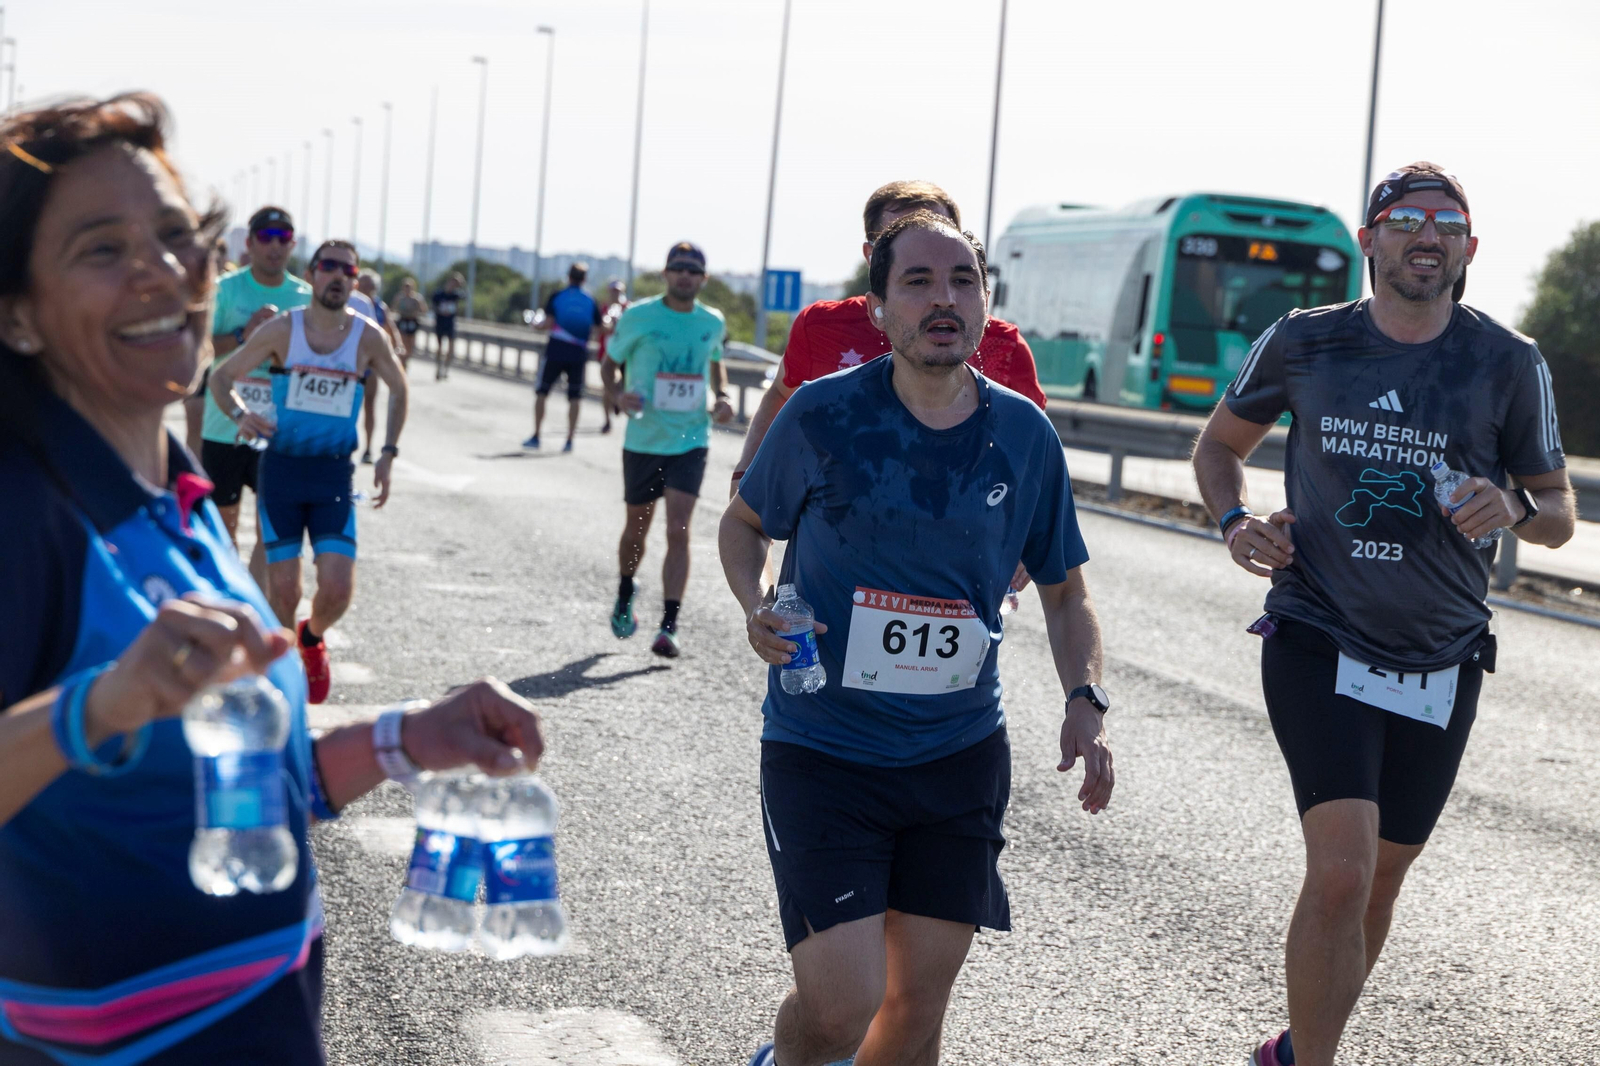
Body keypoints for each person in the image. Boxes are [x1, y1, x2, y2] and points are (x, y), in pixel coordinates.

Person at [0, 91, 545, 1066]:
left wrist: (403, 738)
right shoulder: (24, 509)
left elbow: (230, 790)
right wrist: (102, 705)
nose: (161, 270)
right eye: (102, 248)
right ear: (18, 314)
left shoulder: (176, 496)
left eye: (176, 236)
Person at [1191, 163, 1575, 1066]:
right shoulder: (1306, 340)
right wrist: (1236, 521)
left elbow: (1559, 513)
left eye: (1448, 224)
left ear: (1470, 249)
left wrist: (1514, 506)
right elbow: (1218, 448)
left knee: (1379, 881)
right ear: (1369, 241)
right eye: (1405, 220)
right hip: (1319, 630)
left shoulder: (1508, 361)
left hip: (1443, 652)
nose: (1427, 236)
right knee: (1341, 870)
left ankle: (1298, 1048)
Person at [722, 211, 1113, 1066]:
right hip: (825, 749)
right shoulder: (825, 414)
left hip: (956, 755)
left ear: (985, 303)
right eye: (919, 282)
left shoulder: (1024, 435)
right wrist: (758, 603)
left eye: (963, 281)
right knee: (841, 1008)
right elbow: (744, 523)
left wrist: (1085, 698)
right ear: (876, 307)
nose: (945, 300)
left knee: (911, 1014)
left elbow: (1066, 593)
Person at [731, 180, 1049, 604]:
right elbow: (780, 396)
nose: (925, 248)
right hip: (843, 551)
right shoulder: (823, 327)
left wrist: (1031, 527)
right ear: (872, 255)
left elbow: (1032, 453)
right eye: (902, 241)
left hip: (954, 561)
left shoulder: (1001, 346)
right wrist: (746, 477)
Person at [211, 239, 410, 703]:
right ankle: (286, 680)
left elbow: (400, 389)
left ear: (354, 281)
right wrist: (241, 416)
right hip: (281, 472)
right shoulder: (284, 330)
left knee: (337, 590)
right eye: (329, 267)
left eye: (348, 270)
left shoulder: (367, 337)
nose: (338, 276)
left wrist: (387, 452)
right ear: (313, 274)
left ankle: (312, 636)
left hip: (332, 475)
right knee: (284, 591)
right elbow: (221, 378)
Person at [600, 242, 734, 657]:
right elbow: (609, 363)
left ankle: (669, 626)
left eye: (692, 271)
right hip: (644, 439)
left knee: (679, 529)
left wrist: (723, 394)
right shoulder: (639, 316)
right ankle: (626, 588)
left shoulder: (712, 321)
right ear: (665, 274)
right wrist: (617, 395)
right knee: (637, 530)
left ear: (703, 279)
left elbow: (715, 360)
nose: (684, 276)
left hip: (691, 440)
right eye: (677, 268)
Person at [183, 206, 312, 593]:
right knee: (224, 531)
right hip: (225, 425)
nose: (275, 246)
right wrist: (245, 334)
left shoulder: (304, 297)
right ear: (251, 243)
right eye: (266, 237)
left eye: (283, 238)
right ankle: (230, 600)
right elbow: (198, 348)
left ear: (292, 245)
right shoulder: (225, 289)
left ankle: (255, 609)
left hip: (279, 432)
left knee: (269, 534)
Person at [525, 262, 604, 452]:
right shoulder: (590, 300)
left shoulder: (557, 296)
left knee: (542, 392)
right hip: (578, 354)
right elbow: (600, 328)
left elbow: (547, 323)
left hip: (555, 350)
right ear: (585, 279)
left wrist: (535, 325)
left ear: (568, 277)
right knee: (575, 396)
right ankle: (569, 439)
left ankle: (536, 435)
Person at [356, 268, 403, 465]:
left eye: (371, 286)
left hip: (370, 365)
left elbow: (390, 328)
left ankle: (368, 447)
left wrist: (397, 346)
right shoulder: (349, 303)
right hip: (348, 365)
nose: (367, 289)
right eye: (363, 284)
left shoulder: (379, 307)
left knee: (369, 404)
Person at [595, 279, 629, 434]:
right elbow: (601, 328)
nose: (616, 294)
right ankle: (607, 420)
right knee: (607, 387)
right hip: (608, 354)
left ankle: (617, 401)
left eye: (618, 291)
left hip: (626, 354)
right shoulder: (604, 308)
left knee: (625, 384)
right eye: (613, 291)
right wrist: (608, 324)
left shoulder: (629, 308)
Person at [431, 271, 464, 379]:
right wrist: (441, 311)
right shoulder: (438, 294)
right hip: (440, 323)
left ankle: (446, 369)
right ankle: (438, 368)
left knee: (451, 348)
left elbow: (466, 296)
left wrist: (462, 283)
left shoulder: (456, 295)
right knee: (440, 347)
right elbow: (434, 307)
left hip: (450, 324)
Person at [392, 276, 426, 365]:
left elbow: (423, 310)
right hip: (403, 320)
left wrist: (417, 309)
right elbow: (393, 308)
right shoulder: (400, 297)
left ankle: (407, 357)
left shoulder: (417, 298)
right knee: (402, 339)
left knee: (410, 342)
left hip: (412, 321)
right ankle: (402, 359)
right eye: (405, 286)